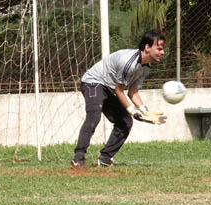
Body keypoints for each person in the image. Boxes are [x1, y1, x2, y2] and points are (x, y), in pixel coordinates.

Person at [71, 29, 167, 169]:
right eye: (159, 48)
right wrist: (132, 111)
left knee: (125, 122)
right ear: (147, 47)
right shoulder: (129, 63)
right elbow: (119, 90)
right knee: (94, 117)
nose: (162, 52)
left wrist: (144, 111)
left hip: (109, 88)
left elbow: (133, 92)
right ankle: (78, 158)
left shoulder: (146, 67)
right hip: (93, 82)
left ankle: (104, 159)